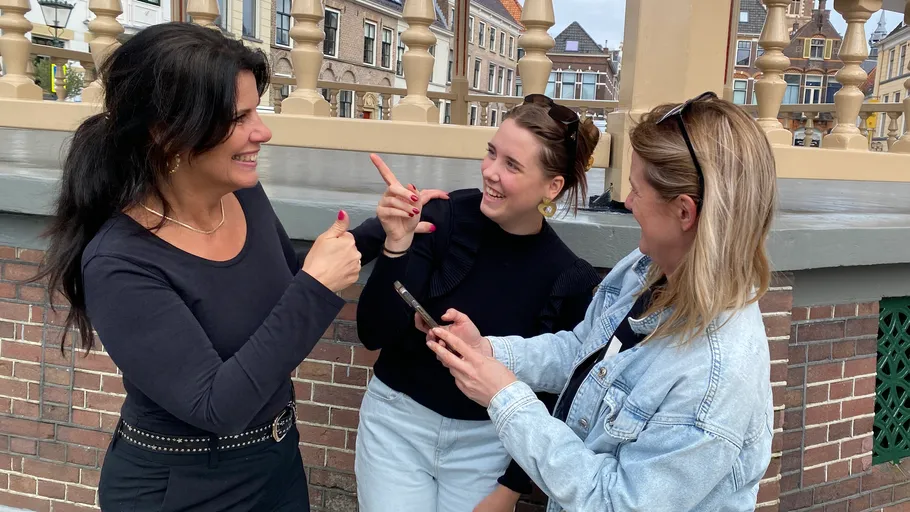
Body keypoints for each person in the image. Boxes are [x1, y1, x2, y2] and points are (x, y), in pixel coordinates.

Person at [32, 22, 368, 511]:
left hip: (275, 467)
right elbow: (217, 405)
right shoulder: (120, 262)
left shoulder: (243, 195)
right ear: (168, 133)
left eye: (259, 110)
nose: (263, 131)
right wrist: (318, 288)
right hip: (182, 488)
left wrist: (382, 229)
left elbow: (278, 286)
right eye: (240, 117)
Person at [426, 92, 778, 512]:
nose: (627, 203)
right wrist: (491, 350)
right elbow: (583, 348)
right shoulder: (646, 267)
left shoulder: (714, 378)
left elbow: (616, 503)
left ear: (685, 212)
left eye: (636, 190)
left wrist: (504, 397)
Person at [353, 94, 603, 512]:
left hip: (488, 445)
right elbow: (372, 332)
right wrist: (396, 244)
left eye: (512, 165)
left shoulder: (567, 276)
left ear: (552, 186)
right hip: (397, 423)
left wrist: (509, 490)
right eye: (491, 153)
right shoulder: (446, 217)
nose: (490, 171)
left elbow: (556, 397)